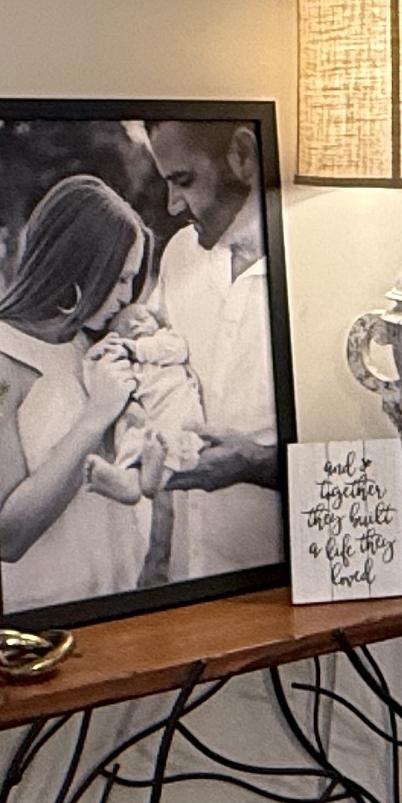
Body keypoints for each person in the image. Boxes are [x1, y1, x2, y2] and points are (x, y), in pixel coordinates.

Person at [0, 174, 154, 610]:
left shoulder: (90, 343)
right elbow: (6, 535)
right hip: (44, 613)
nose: (126, 296)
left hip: (119, 595)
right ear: (77, 267)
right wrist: (96, 415)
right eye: (118, 279)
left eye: (132, 279)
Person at [138, 119, 285, 581]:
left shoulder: (319, 262)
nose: (172, 204)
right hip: (188, 573)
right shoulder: (180, 253)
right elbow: (159, 373)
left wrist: (253, 463)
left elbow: (370, 454)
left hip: (280, 581)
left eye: (183, 180)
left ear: (242, 155)